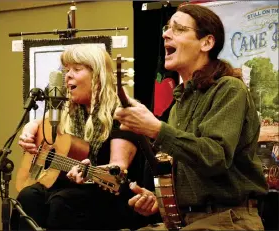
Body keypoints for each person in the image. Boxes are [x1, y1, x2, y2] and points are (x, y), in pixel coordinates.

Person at [114, 3, 268, 231]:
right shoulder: (180, 101)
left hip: (229, 220)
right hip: (189, 220)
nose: (165, 34)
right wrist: (160, 200)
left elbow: (214, 157)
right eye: (167, 28)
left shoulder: (229, 89)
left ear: (207, 42)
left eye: (178, 29)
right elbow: (189, 170)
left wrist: (156, 129)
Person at [11, 44, 148, 231]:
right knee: (28, 196)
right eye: (67, 70)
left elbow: (117, 170)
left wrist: (89, 172)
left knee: (62, 203)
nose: (67, 75)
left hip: (110, 196)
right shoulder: (70, 110)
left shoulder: (122, 114)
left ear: (97, 75)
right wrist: (29, 129)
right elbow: (40, 123)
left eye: (76, 69)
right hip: (72, 189)